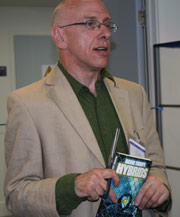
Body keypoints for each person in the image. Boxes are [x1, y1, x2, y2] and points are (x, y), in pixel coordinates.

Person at [4, 0, 171, 217]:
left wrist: (160, 187)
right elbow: (16, 195)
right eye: (91, 24)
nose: (105, 34)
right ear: (59, 37)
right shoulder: (26, 103)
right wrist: (72, 186)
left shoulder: (134, 94)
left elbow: (157, 167)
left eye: (107, 24)